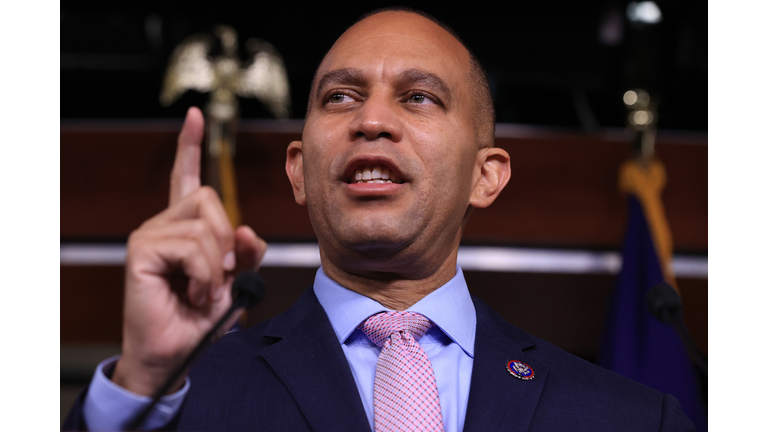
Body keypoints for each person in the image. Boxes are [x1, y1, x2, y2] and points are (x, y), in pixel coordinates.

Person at [63, 8, 694, 432]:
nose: (371, 121)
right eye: (341, 97)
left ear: (487, 175)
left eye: (419, 97)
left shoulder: (631, 418)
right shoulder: (178, 396)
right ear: (298, 171)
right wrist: (145, 381)